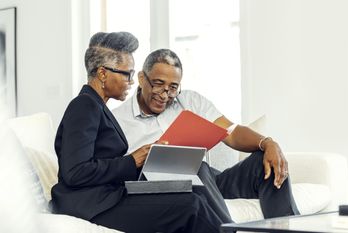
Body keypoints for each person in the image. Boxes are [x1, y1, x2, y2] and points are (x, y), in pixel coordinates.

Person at [50, 32, 224, 233]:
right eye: (127, 74)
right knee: (191, 206)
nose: (132, 82)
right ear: (103, 73)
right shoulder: (83, 105)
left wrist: (148, 162)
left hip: (108, 196)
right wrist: (133, 160)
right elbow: (75, 172)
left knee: (192, 196)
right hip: (91, 204)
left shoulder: (97, 107)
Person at [112, 49, 300, 224]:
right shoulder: (118, 120)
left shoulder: (191, 101)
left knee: (261, 161)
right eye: (159, 84)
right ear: (142, 78)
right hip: (163, 191)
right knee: (192, 166)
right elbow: (116, 173)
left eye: (173, 87)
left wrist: (267, 143)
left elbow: (232, 132)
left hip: (206, 181)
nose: (165, 94)